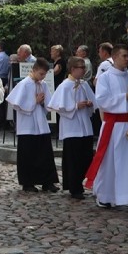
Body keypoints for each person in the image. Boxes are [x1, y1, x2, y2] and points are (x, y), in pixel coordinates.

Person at [85, 44, 128, 214]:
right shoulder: (105, 78)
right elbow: (102, 100)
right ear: (114, 57)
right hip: (113, 127)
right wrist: (124, 97)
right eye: (124, 56)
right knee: (109, 163)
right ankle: (105, 196)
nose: (127, 59)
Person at [6, 57, 59, 192]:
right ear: (34, 70)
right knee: (28, 155)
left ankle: (48, 181)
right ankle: (28, 182)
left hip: (41, 123)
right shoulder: (24, 84)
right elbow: (16, 103)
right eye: (41, 74)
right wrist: (34, 101)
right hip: (27, 125)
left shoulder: (43, 85)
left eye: (45, 74)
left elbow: (49, 104)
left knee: (44, 153)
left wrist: (42, 103)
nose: (42, 77)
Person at [47, 56, 96, 199]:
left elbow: (94, 103)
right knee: (74, 159)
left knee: (86, 157)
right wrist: (75, 106)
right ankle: (75, 188)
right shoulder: (65, 85)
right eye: (81, 67)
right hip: (72, 127)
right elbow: (57, 106)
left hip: (85, 126)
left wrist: (89, 104)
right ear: (73, 69)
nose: (84, 70)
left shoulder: (84, 84)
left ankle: (80, 182)